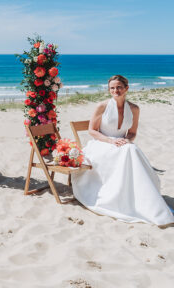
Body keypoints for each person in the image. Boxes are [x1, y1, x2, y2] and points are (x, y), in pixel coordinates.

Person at [72, 75, 174, 226]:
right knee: (129, 151)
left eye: (119, 87)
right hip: (102, 143)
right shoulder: (102, 106)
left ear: (126, 88)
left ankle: (139, 197)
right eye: (112, 88)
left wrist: (127, 140)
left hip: (122, 144)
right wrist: (111, 141)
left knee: (130, 149)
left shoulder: (134, 109)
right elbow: (92, 131)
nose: (116, 90)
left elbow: (132, 133)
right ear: (109, 90)